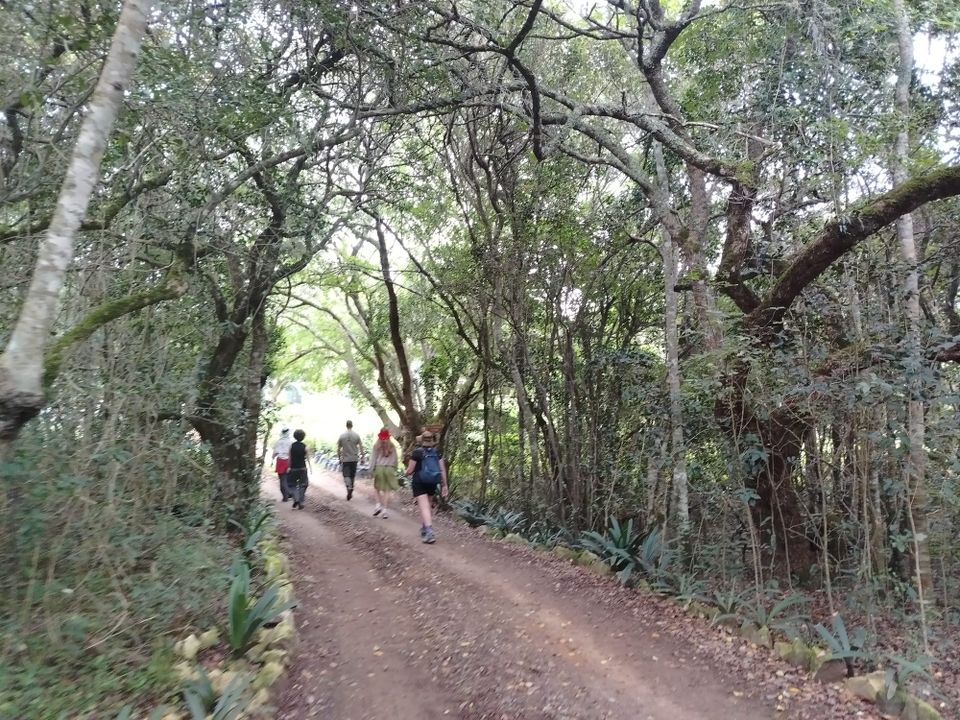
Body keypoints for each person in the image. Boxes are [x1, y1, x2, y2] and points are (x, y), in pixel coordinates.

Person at [403, 430, 448, 544]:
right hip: (432, 482)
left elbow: (410, 470)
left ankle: (429, 531)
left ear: (421, 441)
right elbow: (442, 469)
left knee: (424, 507)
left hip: (419, 482)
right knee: (427, 505)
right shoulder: (437, 452)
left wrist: (406, 473)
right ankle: (424, 527)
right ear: (432, 441)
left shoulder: (417, 452)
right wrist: (445, 485)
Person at [370, 428, 399, 518]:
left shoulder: (376, 445)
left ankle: (378, 505)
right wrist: (395, 468)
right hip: (389, 469)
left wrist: (371, 470)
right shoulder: (392, 446)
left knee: (376, 488)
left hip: (379, 468)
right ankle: (385, 511)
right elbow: (395, 459)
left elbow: (373, 460)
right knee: (387, 491)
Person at [337, 420, 363, 501]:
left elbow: (338, 448)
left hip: (345, 459)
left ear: (346, 425)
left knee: (346, 475)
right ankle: (351, 488)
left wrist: (339, 457)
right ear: (352, 425)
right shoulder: (356, 435)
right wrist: (363, 457)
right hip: (354, 458)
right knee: (352, 475)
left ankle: (349, 487)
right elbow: (361, 446)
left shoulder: (342, 436)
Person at [287, 429, 312, 509]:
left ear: (295, 436)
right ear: (303, 437)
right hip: (302, 468)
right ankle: (300, 501)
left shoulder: (291, 446)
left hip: (293, 468)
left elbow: (289, 458)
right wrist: (310, 468)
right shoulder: (305, 447)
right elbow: (308, 458)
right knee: (303, 485)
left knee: (292, 485)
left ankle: (296, 498)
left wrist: (288, 467)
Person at [272, 428, 293, 502]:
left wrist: (272, 459)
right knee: (285, 479)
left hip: (280, 461)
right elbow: (292, 454)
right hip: (288, 461)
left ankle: (287, 495)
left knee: (282, 479)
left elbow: (275, 452)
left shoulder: (279, 441)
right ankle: (286, 496)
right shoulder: (291, 442)